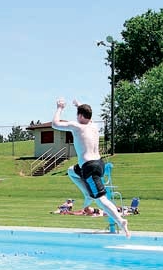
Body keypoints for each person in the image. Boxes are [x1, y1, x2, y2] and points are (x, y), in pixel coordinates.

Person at [52, 97, 131, 237]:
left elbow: (55, 124)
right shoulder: (94, 125)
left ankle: (120, 220)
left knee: (101, 199)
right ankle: (87, 193)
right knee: (71, 171)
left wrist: (60, 107)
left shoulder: (77, 126)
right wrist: (78, 104)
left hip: (90, 168)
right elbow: (86, 112)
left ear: (81, 116)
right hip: (99, 163)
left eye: (78, 114)